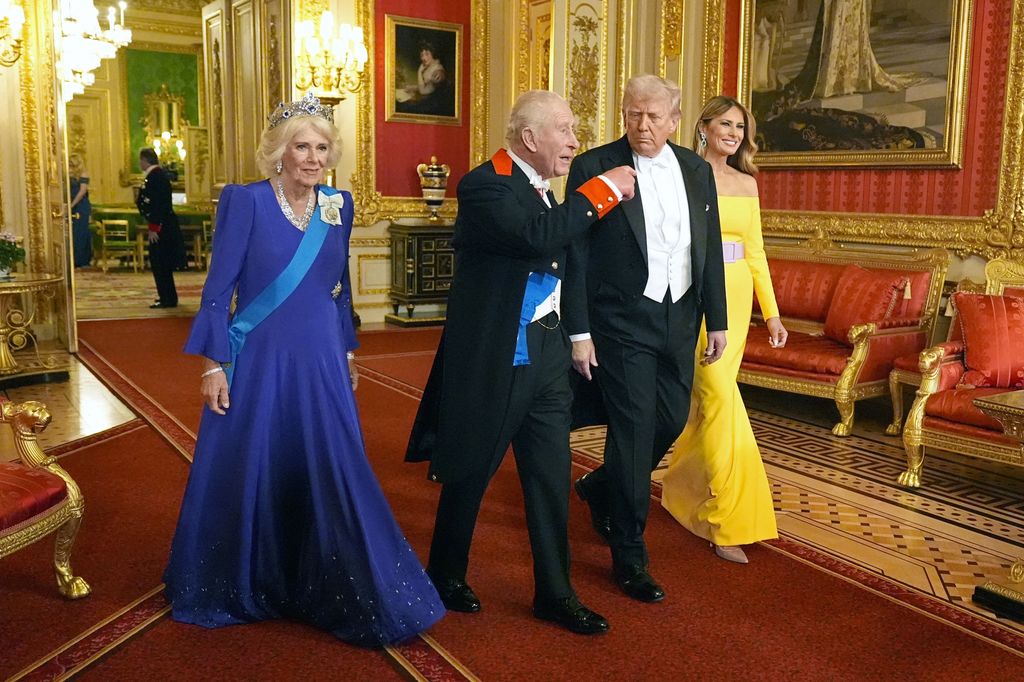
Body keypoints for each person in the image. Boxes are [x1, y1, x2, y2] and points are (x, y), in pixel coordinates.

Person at [163, 92, 445, 647]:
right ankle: (246, 576)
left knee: (331, 460)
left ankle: (332, 577)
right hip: (260, 353)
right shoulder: (244, 201)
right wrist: (214, 364)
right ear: (279, 153)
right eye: (301, 147)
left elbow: (337, 292)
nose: (313, 158)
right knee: (254, 460)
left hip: (320, 355)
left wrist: (345, 353)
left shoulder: (338, 203)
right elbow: (219, 292)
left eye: (321, 147)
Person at [406, 90, 636, 635]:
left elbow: (567, 266)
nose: (575, 141)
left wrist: (578, 337)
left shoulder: (548, 193)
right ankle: (445, 573)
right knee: (472, 468)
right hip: (497, 357)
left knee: (550, 476)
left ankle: (555, 594)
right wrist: (601, 190)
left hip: (548, 356)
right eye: (565, 129)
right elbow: (537, 238)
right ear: (530, 138)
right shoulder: (484, 185)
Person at [564, 74, 728, 603]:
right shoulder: (593, 166)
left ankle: (601, 485)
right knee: (633, 430)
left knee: (671, 419)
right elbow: (578, 254)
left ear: (675, 120)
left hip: (681, 316)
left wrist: (718, 319)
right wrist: (580, 331)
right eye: (633, 114)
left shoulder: (697, 169)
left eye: (653, 116)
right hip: (620, 321)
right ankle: (630, 553)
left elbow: (709, 246)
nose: (642, 125)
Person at [660, 96, 788, 565]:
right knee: (714, 396)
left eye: (741, 126)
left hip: (733, 300)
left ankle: (691, 497)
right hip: (692, 295)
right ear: (704, 126)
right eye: (726, 124)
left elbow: (755, 253)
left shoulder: (747, 183)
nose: (734, 133)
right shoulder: (683, 174)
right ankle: (725, 514)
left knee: (712, 399)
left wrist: (770, 313)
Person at [136, 147, 185, 308]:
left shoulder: (156, 177)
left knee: (160, 263)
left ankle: (168, 298)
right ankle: (165, 296)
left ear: (144, 160)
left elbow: (159, 204)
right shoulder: (155, 176)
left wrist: (154, 227)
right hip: (162, 226)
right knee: (160, 264)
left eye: (140, 160)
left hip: (161, 228)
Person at [68, 153, 92, 268]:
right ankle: (73, 258)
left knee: (81, 232)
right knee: (73, 233)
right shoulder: (69, 174)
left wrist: (71, 205)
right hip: (71, 204)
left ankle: (82, 259)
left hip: (80, 205)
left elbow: (82, 192)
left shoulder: (83, 174)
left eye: (72, 164)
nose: (70, 166)